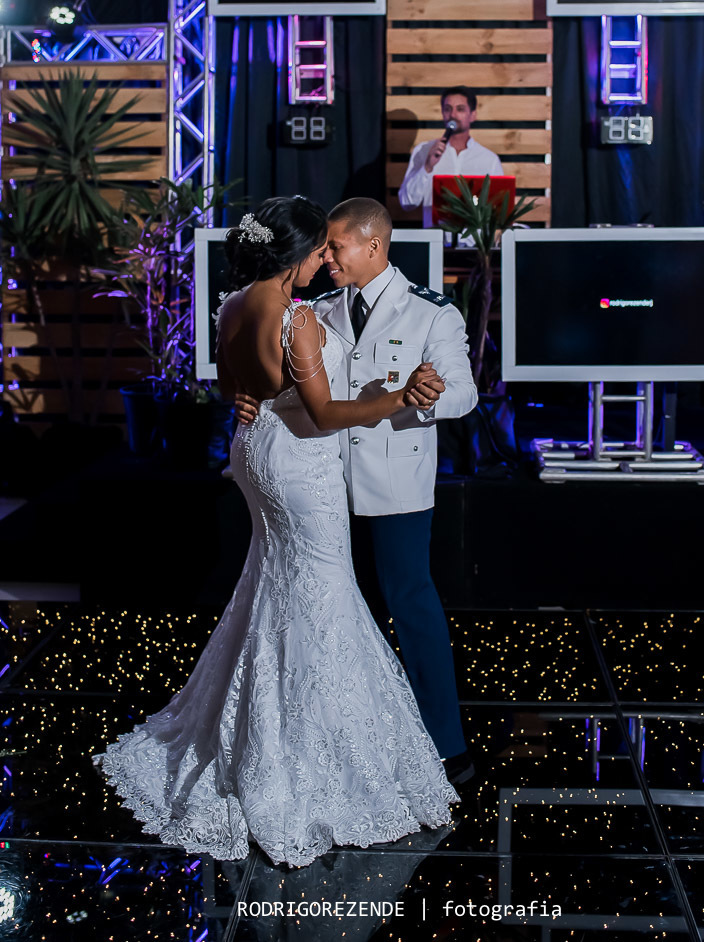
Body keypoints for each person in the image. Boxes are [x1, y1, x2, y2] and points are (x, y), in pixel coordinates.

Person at [92, 195, 458, 868]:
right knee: (320, 595)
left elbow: (237, 384)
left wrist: (250, 395)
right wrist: (398, 399)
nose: (327, 257)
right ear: (294, 255)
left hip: (252, 449)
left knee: (274, 584)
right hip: (300, 463)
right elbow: (320, 415)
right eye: (320, 249)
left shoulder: (233, 304)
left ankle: (261, 723)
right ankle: (302, 754)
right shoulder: (298, 320)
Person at [236, 197, 478, 785]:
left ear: (373, 245)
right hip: (321, 484)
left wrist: (427, 396)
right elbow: (285, 381)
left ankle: (447, 744)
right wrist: (250, 398)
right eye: (322, 250)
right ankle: (364, 743)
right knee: (344, 620)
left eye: (335, 248)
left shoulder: (431, 313)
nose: (327, 259)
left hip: (394, 487)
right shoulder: (314, 308)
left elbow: (465, 394)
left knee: (410, 607)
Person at [398, 86, 504, 226]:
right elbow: (407, 202)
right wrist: (427, 167)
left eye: (460, 109)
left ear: (473, 115)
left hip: (473, 244)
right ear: (442, 113)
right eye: (448, 109)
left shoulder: (489, 159)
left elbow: (499, 209)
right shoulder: (424, 151)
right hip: (435, 242)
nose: (453, 115)